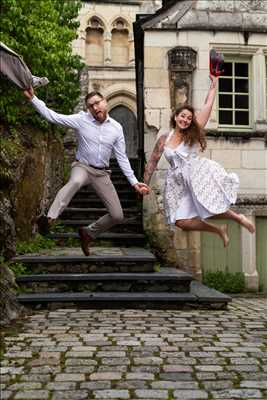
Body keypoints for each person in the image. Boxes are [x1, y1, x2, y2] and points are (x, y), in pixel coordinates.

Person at [23, 87, 150, 256]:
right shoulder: (81, 120)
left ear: (104, 102)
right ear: (88, 109)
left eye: (97, 103)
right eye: (91, 106)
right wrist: (33, 99)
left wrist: (134, 182)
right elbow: (53, 116)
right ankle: (49, 219)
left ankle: (88, 233)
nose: (95, 108)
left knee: (117, 215)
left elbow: (122, 158)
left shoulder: (117, 128)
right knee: (74, 181)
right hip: (82, 167)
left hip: (102, 173)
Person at [143, 74, 255, 247]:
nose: (185, 120)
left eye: (189, 118)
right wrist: (144, 183)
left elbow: (207, 106)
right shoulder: (164, 138)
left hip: (196, 175)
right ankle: (218, 230)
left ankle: (238, 217)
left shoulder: (192, 134)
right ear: (175, 117)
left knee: (209, 205)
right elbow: (152, 162)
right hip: (177, 183)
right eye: (182, 116)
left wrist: (213, 85)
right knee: (180, 221)